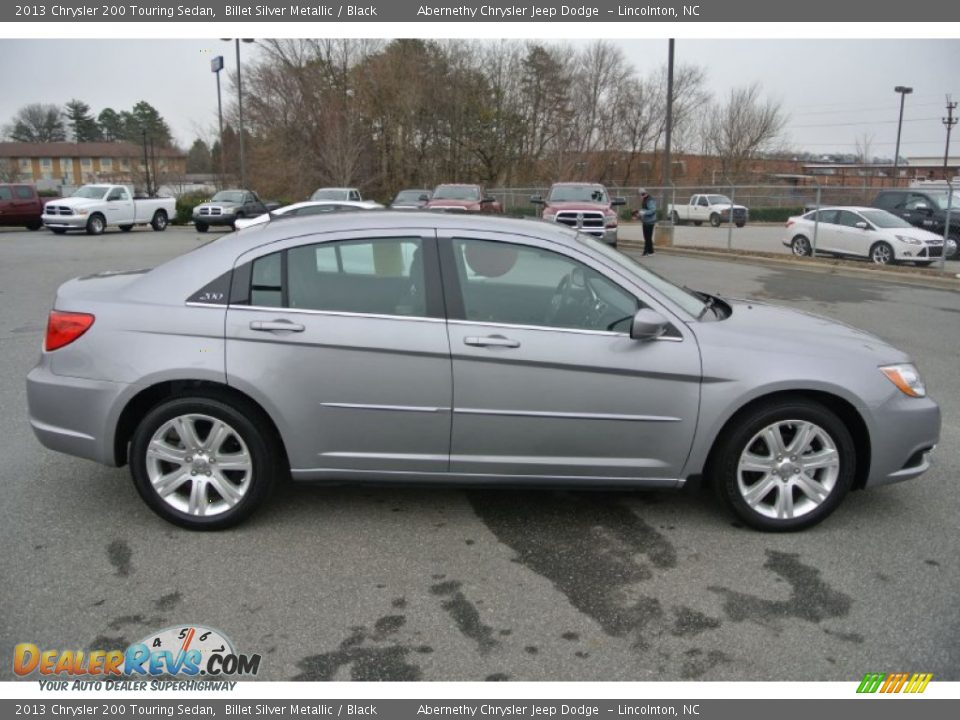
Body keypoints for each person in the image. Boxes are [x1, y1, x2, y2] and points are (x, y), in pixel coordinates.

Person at [638, 188, 656, 256]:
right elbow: (645, 209)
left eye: (642, 194)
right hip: (646, 221)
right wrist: (639, 214)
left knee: (647, 237)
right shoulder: (645, 200)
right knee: (647, 237)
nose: (642, 196)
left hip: (650, 221)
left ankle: (646, 251)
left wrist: (644, 213)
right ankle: (651, 251)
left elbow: (652, 210)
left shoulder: (650, 200)